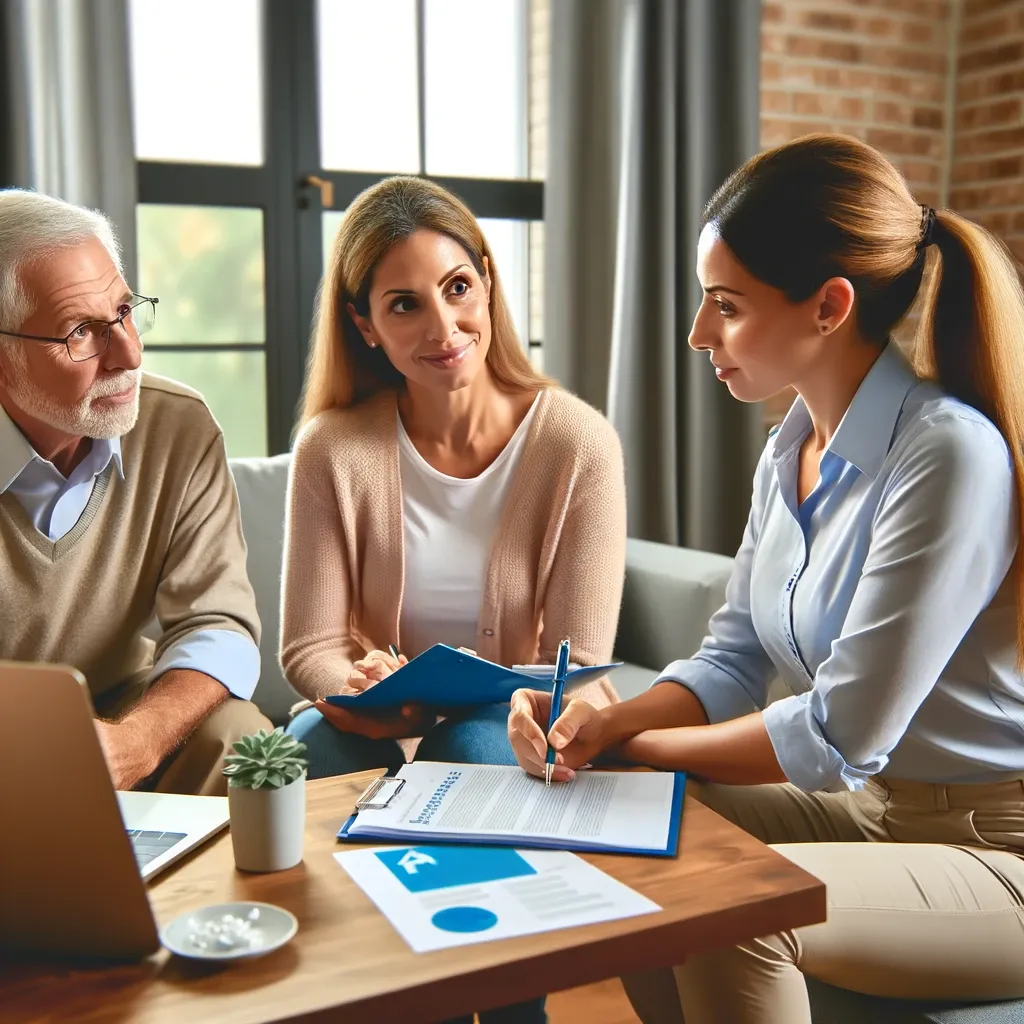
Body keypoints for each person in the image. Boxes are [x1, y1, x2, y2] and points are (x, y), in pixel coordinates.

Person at [508, 133, 1024, 1024]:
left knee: (735, 909)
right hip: (868, 811)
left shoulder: (946, 455)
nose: (699, 333)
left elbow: (838, 734)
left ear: (829, 306)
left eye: (726, 305)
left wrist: (630, 743)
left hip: (989, 848)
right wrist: (603, 724)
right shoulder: (788, 450)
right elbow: (733, 658)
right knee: (627, 817)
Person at [0, 189, 270, 796]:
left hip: (124, 706)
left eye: (124, 312)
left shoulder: (179, 427)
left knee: (239, 738)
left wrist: (138, 741)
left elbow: (218, 622)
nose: (129, 354)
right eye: (80, 333)